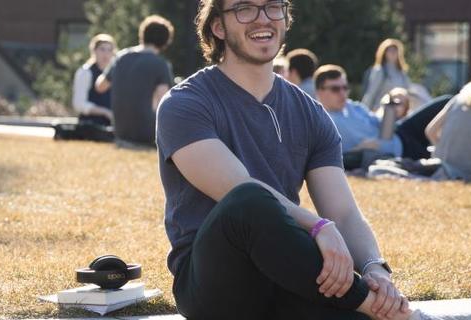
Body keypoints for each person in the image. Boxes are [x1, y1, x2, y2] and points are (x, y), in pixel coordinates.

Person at [160, 0, 418, 318]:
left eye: (272, 7)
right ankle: (364, 301)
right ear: (218, 27)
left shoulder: (310, 113)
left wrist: (375, 270)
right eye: (244, 8)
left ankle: (370, 303)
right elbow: (238, 191)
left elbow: (345, 213)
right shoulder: (185, 103)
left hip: (289, 275)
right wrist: (318, 226)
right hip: (214, 285)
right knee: (248, 200)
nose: (262, 18)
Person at [96, 15, 176, 149]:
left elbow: (100, 86)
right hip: (148, 134)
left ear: (142, 35)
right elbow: (165, 103)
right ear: (165, 41)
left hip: (120, 132)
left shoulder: (120, 57)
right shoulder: (161, 64)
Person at [314, 64, 403, 170]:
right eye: (335, 89)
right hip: (396, 152)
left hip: (400, 133)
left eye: (345, 88)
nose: (342, 93)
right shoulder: (325, 123)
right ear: (319, 92)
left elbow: (380, 123)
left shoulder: (354, 107)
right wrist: (358, 149)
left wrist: (392, 111)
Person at [56, 34, 118, 142]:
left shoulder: (115, 74)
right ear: (94, 51)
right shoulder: (85, 72)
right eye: (102, 49)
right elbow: (79, 104)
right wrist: (105, 112)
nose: (106, 54)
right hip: (91, 125)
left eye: (109, 50)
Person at [360, 39, 430, 112]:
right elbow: (371, 93)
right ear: (384, 53)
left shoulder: (401, 73)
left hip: (399, 112)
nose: (393, 53)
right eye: (390, 50)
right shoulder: (380, 71)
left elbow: (408, 91)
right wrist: (363, 111)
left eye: (395, 50)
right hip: (381, 111)